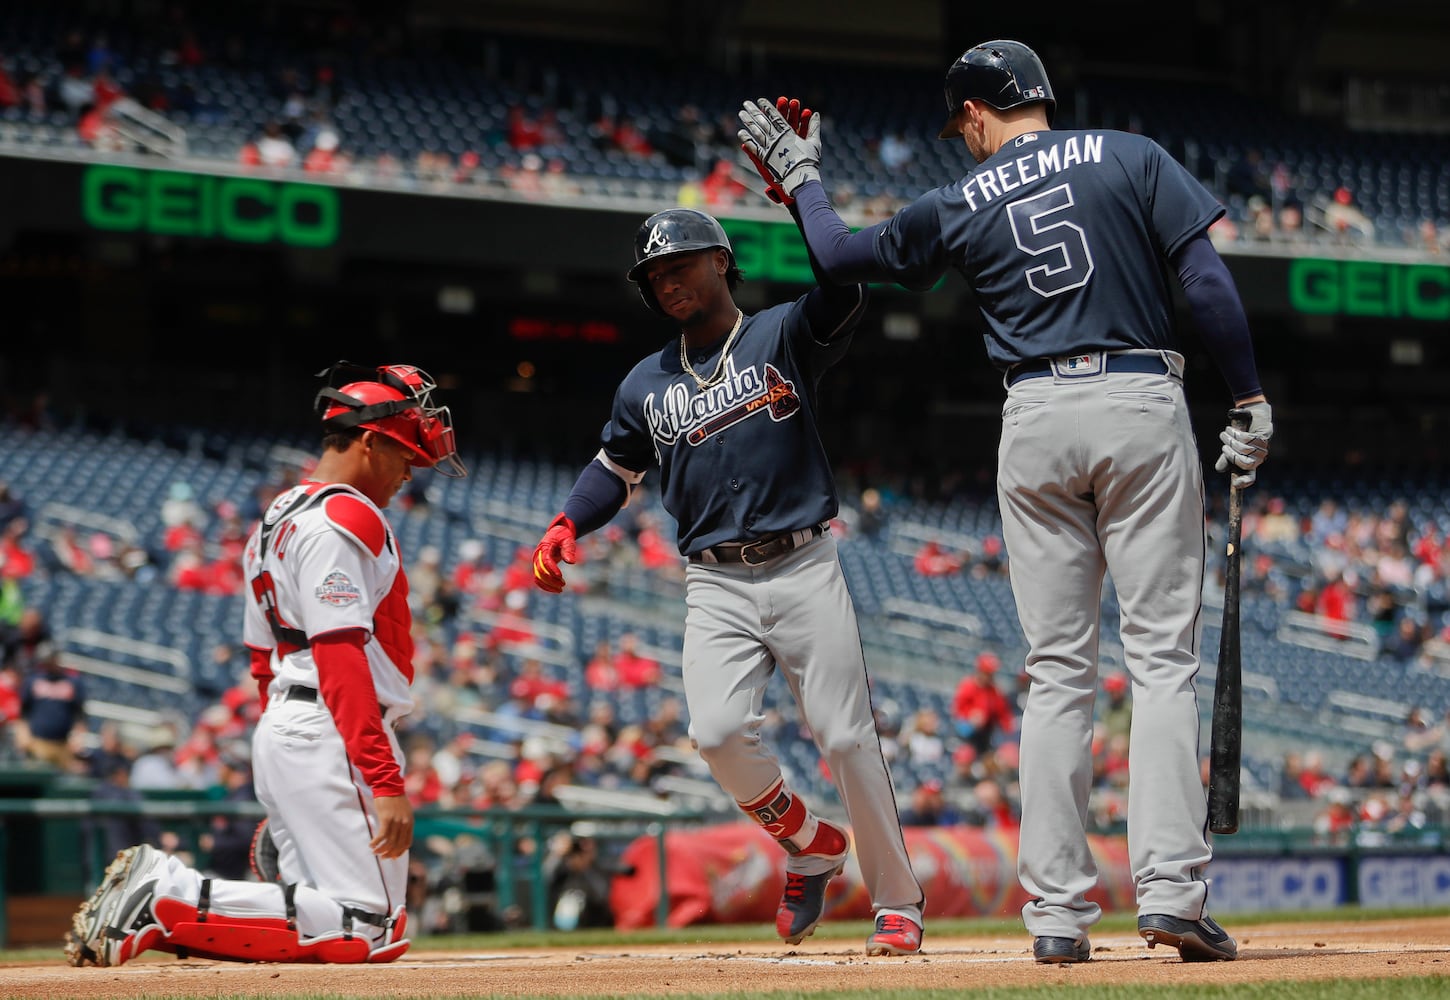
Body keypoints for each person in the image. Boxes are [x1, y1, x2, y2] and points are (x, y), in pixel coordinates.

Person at [738, 39, 1274, 965]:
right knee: (1158, 664)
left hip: (1032, 417)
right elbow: (1204, 280)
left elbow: (836, 259)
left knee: (1058, 672)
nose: (965, 139)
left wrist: (803, 182)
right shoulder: (1131, 153)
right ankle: (1172, 895)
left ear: (981, 111)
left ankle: (1059, 917)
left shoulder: (960, 199)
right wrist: (1250, 396)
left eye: (963, 123)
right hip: (1138, 397)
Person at [529, 206, 924, 955]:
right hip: (713, 580)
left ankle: (897, 901)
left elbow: (843, 288)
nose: (666, 282)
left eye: (679, 265)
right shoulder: (646, 381)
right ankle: (811, 843)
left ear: (721, 262)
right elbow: (615, 466)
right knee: (713, 733)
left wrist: (807, 200)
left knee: (845, 737)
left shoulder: (781, 333)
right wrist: (567, 522)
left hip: (805, 562)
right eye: (653, 276)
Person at [65, 360, 467, 968]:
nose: (410, 472)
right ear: (368, 440)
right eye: (405, 455)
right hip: (332, 728)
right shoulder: (344, 516)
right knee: (368, 924)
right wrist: (382, 779)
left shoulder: (277, 518)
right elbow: (339, 655)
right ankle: (168, 892)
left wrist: (282, 760)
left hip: (292, 726)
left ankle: (173, 904)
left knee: (328, 921)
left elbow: (262, 659)